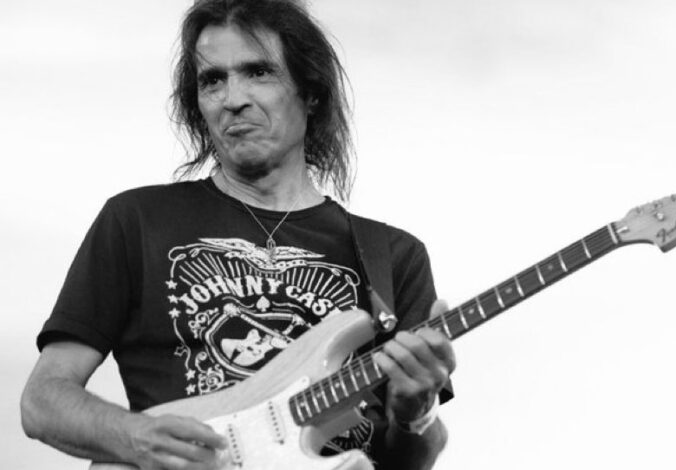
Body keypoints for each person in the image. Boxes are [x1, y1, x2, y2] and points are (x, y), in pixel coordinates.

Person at [20, 1, 455, 469]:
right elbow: (43, 401)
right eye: (213, 80)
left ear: (310, 92)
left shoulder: (393, 257)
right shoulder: (138, 220)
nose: (232, 99)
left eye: (258, 73)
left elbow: (411, 460)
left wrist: (417, 414)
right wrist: (135, 437)